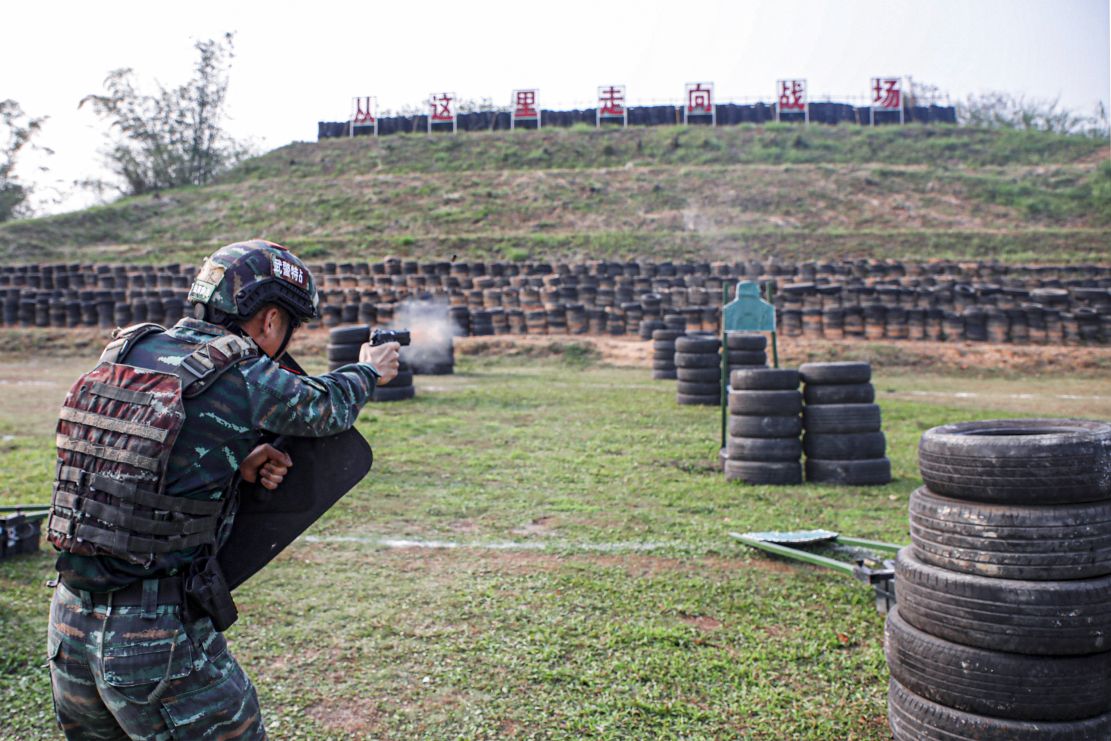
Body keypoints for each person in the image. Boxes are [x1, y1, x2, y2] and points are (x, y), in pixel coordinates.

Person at [44, 240, 398, 740]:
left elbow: (135, 459)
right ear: (271, 320)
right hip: (151, 635)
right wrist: (368, 369)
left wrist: (236, 458)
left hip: (69, 622)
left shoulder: (128, 349)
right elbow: (325, 409)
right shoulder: (240, 371)